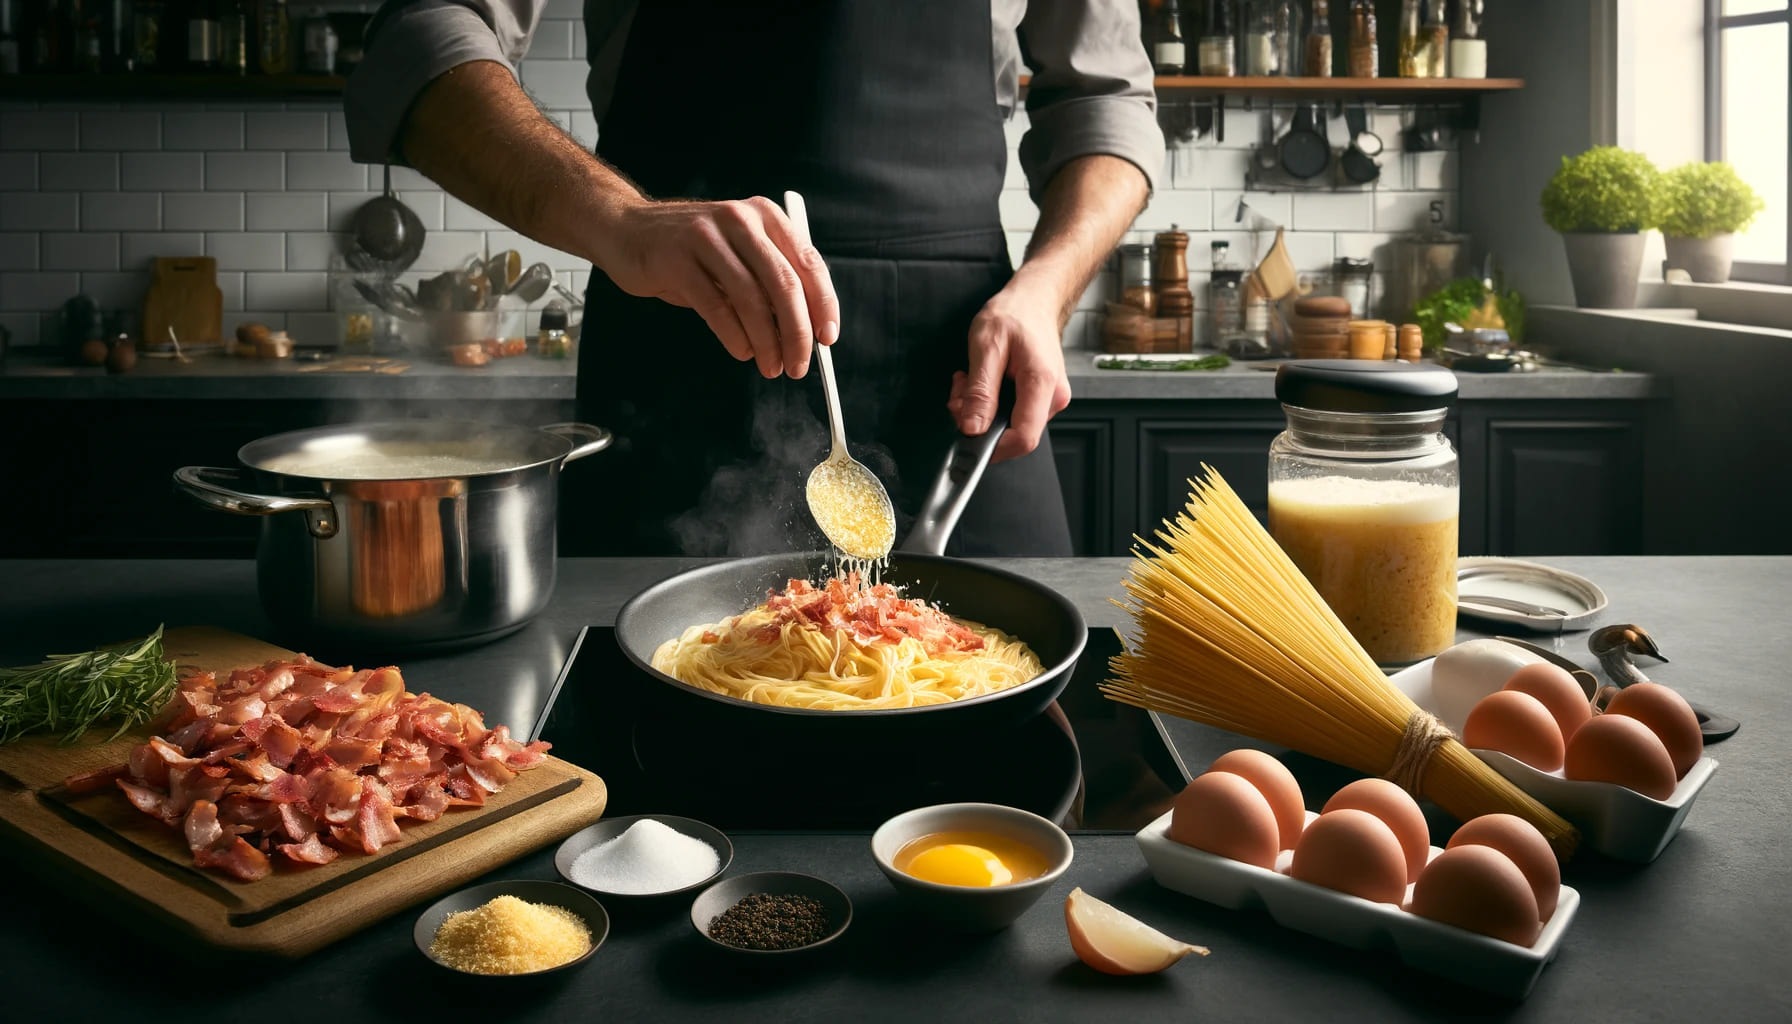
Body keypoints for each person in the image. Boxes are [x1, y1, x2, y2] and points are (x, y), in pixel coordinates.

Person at [346, 1, 1162, 557]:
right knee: (645, 775)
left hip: (963, 381)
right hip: (674, 351)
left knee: (1014, 759)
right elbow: (420, 39)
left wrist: (1047, 287)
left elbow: (1107, 101)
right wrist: (623, 222)